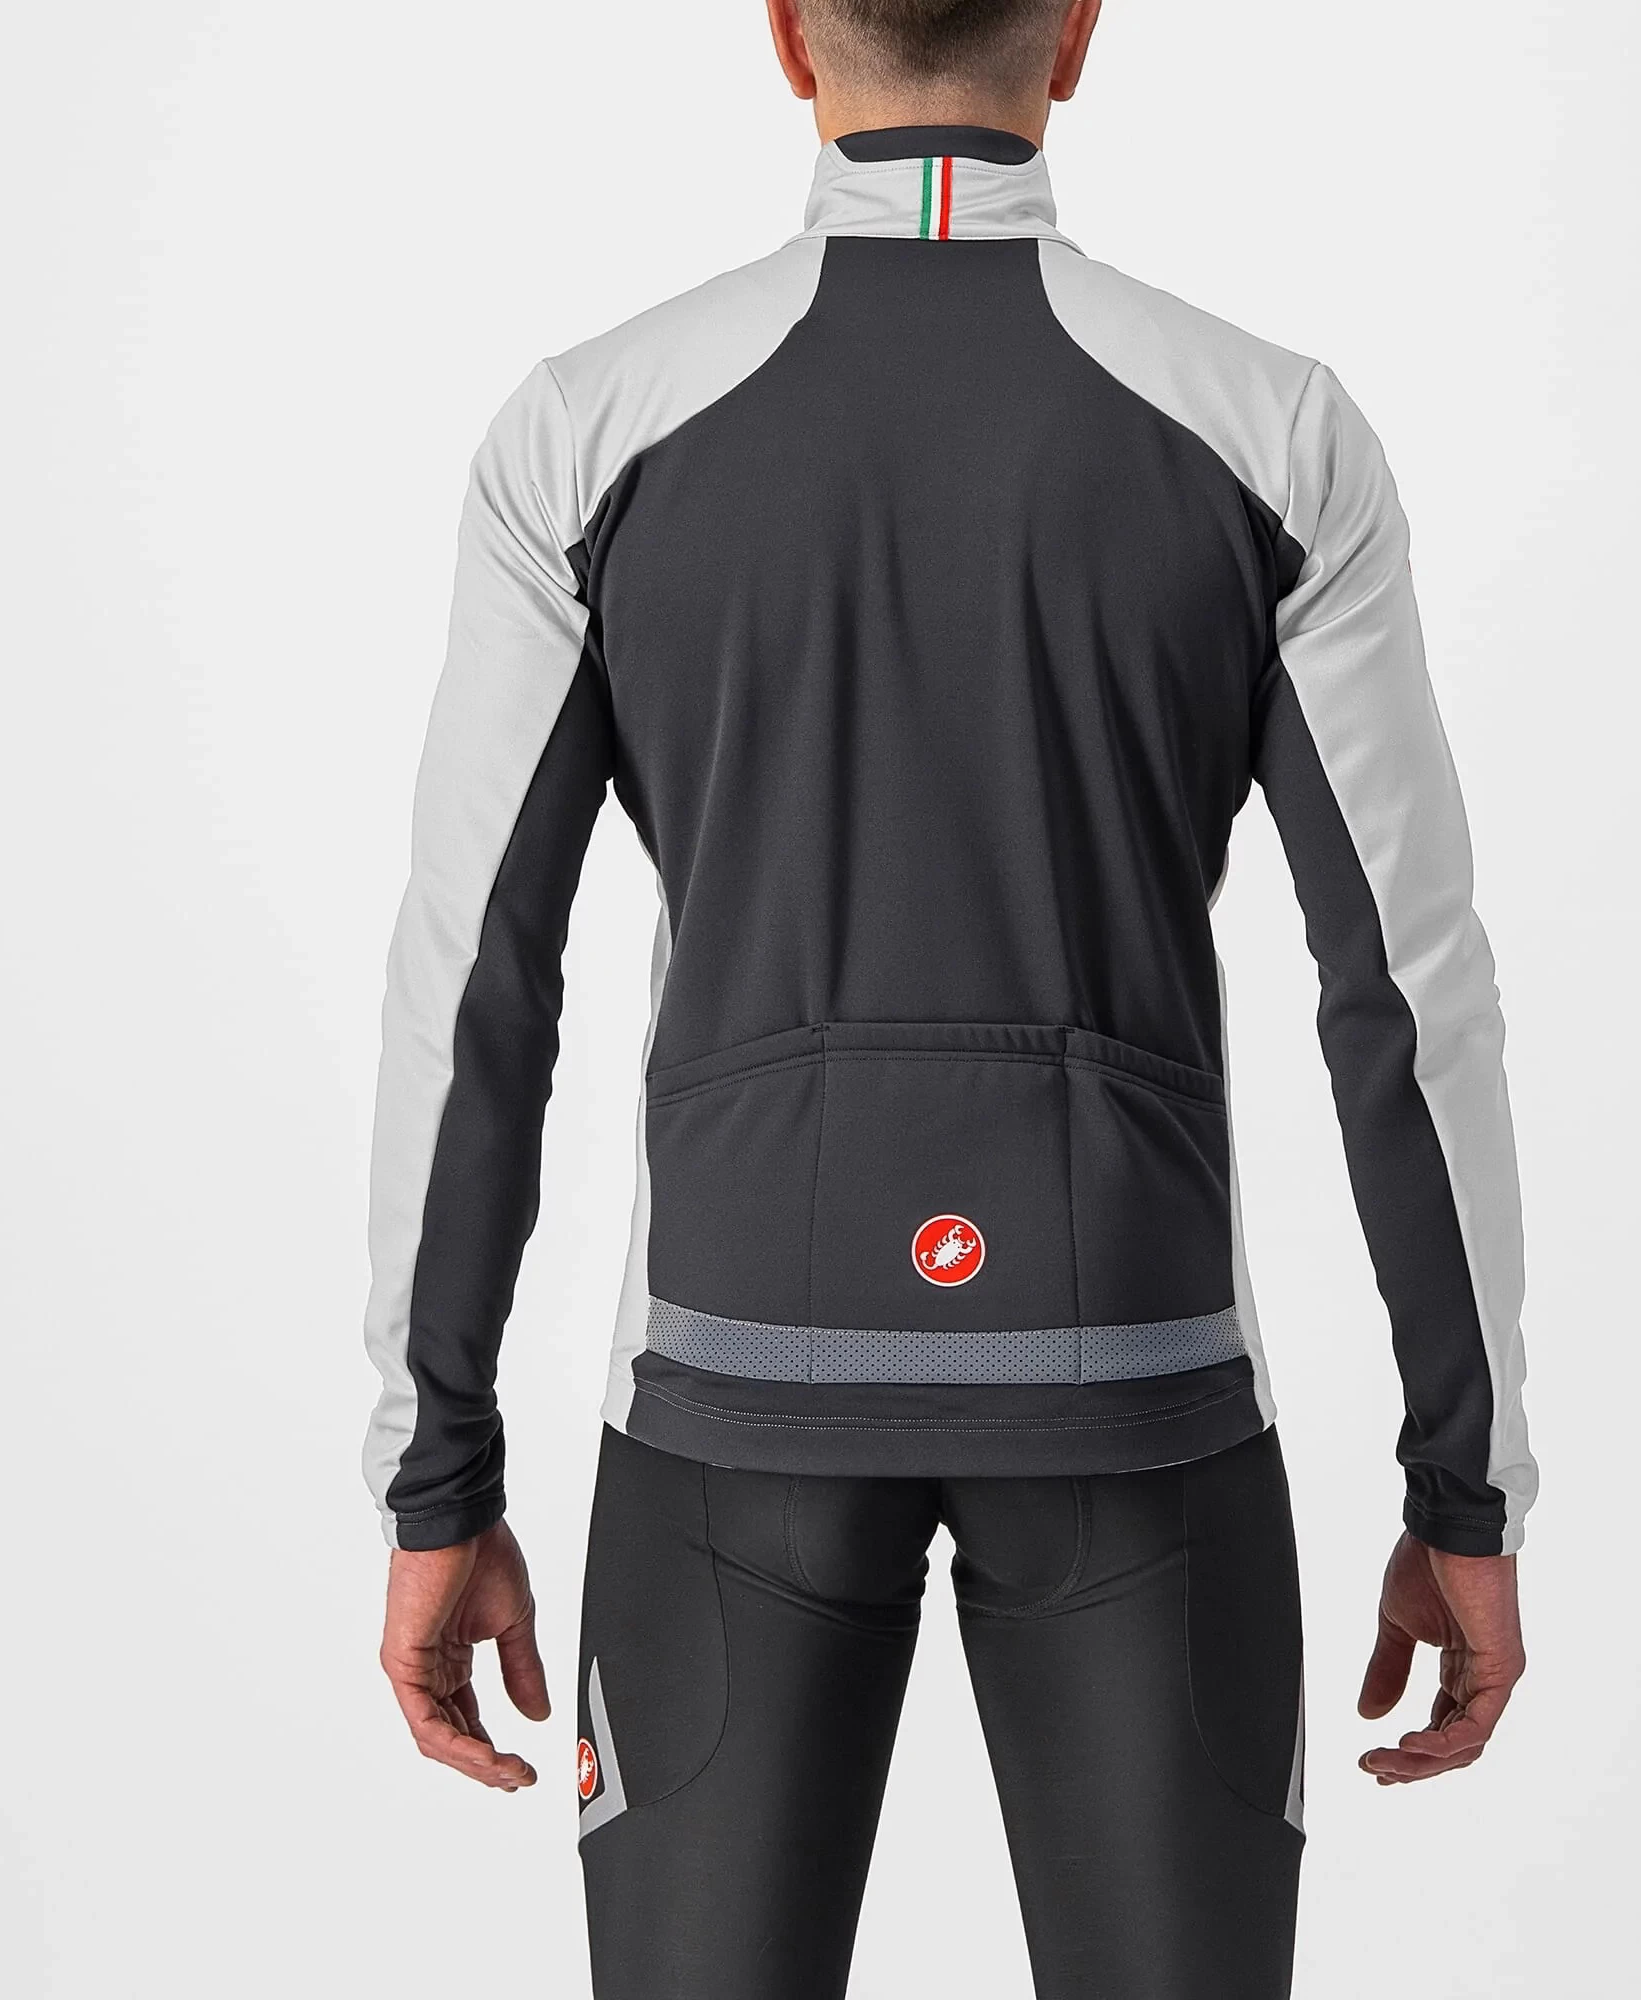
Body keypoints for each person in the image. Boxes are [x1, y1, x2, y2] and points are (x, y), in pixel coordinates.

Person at [362, 2, 1535, 1992]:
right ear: (1076, 33)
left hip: (733, 1380)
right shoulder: (1271, 432)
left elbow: (471, 978)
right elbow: (1409, 996)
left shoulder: (584, 433)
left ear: (782, 35)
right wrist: (1467, 1486)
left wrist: (435, 1471)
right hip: (1134, 1379)